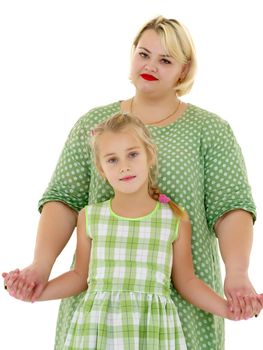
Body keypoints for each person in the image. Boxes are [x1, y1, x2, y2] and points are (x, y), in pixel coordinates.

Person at [2, 15, 261, 350]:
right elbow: (63, 200)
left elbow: (231, 207)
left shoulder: (209, 130)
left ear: (184, 69)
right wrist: (40, 267)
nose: (150, 65)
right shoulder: (94, 125)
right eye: (143, 54)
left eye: (165, 59)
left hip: (183, 305)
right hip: (100, 316)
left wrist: (237, 273)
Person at [5, 113, 262, 349]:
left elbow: (187, 282)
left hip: (154, 332)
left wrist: (228, 309)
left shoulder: (173, 218)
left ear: (150, 155)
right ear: (101, 169)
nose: (124, 166)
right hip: (96, 330)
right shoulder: (91, 217)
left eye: (133, 154)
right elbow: (79, 276)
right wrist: (34, 293)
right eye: (112, 160)